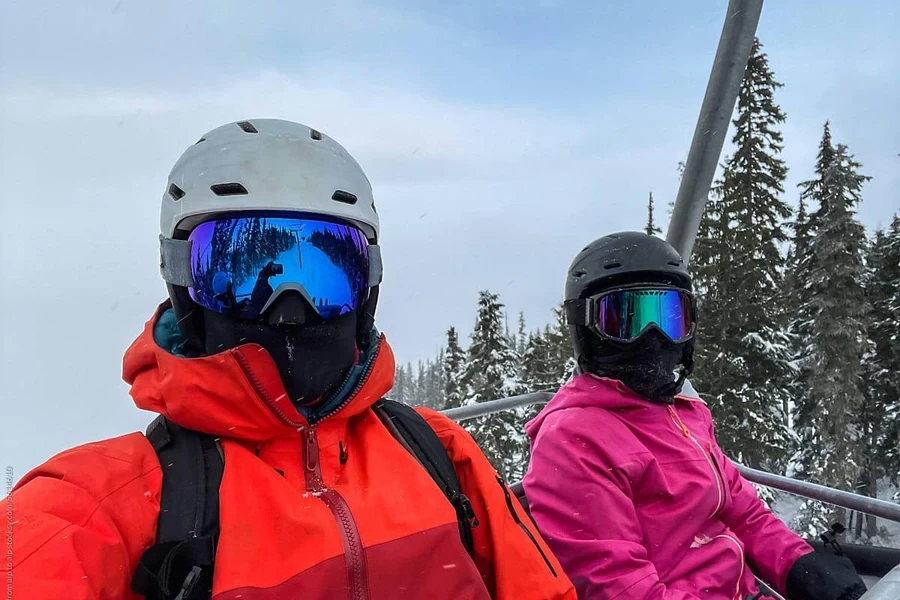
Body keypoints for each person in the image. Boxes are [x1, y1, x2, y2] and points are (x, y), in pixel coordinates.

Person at [1, 119, 575, 600]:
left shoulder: (438, 451)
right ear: (184, 285)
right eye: (240, 273)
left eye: (324, 274)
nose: (288, 311)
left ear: (367, 288)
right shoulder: (106, 502)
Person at [522, 232, 866, 600]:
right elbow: (622, 590)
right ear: (587, 330)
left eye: (669, 317)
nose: (652, 337)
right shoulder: (574, 441)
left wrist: (800, 566)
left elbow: (744, 512)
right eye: (626, 320)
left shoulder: (683, 414)